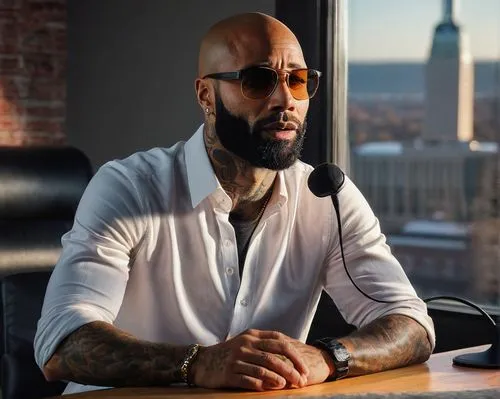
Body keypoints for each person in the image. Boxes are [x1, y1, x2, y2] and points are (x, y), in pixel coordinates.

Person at [34, 12, 434, 395]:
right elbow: (62, 342)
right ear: (206, 95)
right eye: (258, 81)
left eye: (297, 81)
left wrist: (329, 358)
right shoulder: (128, 187)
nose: (285, 100)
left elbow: (412, 326)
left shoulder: (326, 196)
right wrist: (198, 364)